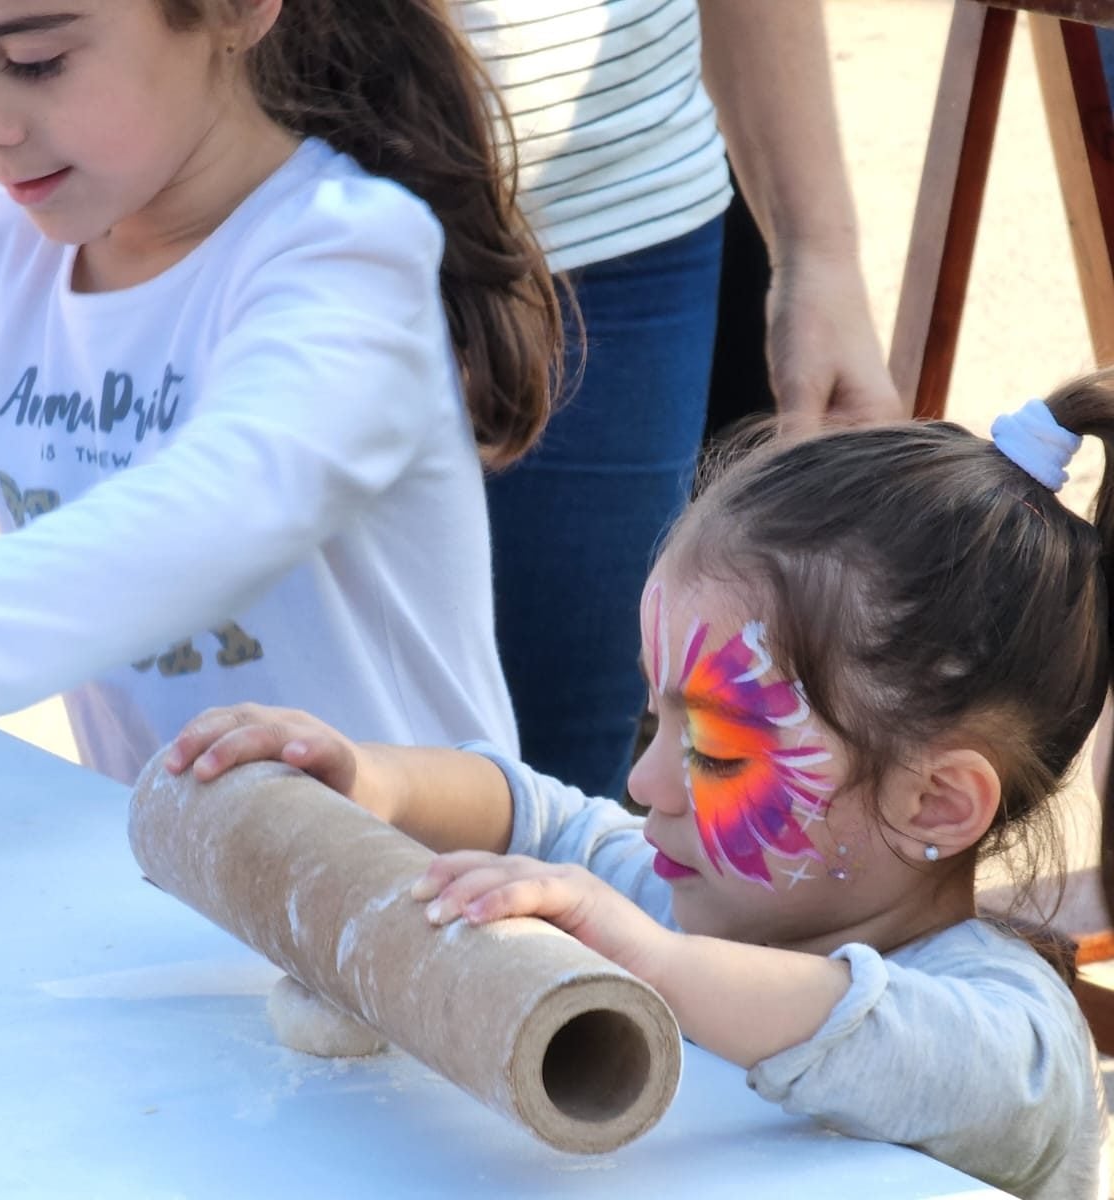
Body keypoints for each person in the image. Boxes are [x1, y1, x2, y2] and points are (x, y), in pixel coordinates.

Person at [167, 373, 1114, 1199]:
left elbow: (877, 1036)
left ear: (935, 804)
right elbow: (539, 818)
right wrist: (377, 779)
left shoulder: (1016, 1042)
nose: (643, 779)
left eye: (716, 751)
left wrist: (646, 961)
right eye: (654, 718)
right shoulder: (685, 893)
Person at [0, 0, 560, 783]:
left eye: (36, 60)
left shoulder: (344, 258)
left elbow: (232, 502)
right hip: (156, 883)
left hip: (410, 882)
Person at [460, 0, 905, 800]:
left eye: (710, 753)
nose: (653, 784)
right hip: (272, 213)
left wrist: (817, 248)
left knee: (562, 791)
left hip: (624, 222)